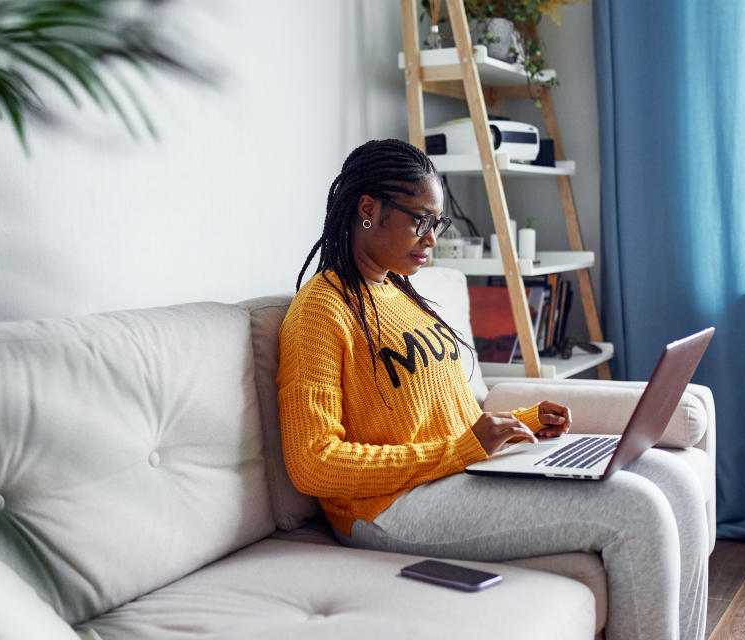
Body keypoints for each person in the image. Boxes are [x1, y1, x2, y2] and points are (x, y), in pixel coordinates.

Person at [276, 138, 708, 640]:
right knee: (638, 508)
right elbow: (313, 463)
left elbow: (450, 416)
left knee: (673, 479)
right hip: (387, 506)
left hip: (457, 472)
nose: (431, 239)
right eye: (420, 220)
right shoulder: (320, 313)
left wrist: (521, 424)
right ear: (368, 210)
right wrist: (460, 450)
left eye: (437, 223)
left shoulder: (402, 292)